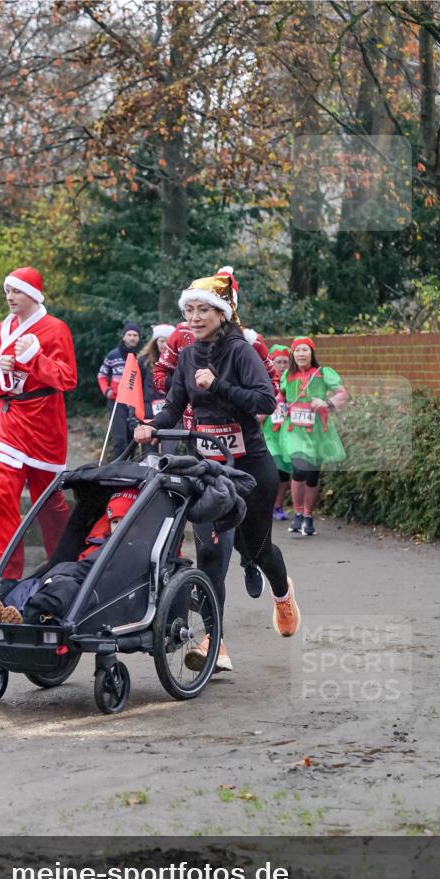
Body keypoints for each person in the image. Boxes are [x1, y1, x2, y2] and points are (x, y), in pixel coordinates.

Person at [135, 267, 301, 671]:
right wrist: (152, 427)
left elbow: (264, 401)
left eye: (202, 310)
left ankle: (282, 592)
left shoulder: (240, 351)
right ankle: (215, 642)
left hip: (248, 466)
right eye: (188, 310)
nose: (193, 318)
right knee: (210, 552)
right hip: (207, 468)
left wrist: (219, 385)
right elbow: (175, 405)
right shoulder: (188, 355)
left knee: (255, 549)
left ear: (222, 314)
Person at [0, 266, 77, 570]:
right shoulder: (3, 329)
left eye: (16, 291)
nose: (10, 297)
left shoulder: (56, 329)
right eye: (8, 291)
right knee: (1, 497)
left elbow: (67, 379)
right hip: (9, 419)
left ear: (33, 295)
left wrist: (34, 360)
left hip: (44, 424)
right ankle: (6, 577)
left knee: (49, 504)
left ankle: (64, 566)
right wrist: (2, 369)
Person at [0, 489, 139, 624]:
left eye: (123, 521)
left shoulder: (131, 548)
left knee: (60, 589)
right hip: (62, 574)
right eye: (114, 521)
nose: (118, 527)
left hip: (86, 584)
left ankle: (26, 616)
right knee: (29, 585)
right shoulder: (98, 540)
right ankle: (5, 609)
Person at [277, 337, 348, 537]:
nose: (300, 354)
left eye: (305, 350)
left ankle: (308, 516)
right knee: (299, 468)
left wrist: (326, 402)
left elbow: (342, 394)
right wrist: (281, 405)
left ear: (311, 353)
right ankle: (298, 512)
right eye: (297, 350)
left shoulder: (323, 373)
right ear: (292, 354)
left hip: (317, 430)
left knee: (312, 474)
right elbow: (281, 396)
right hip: (294, 431)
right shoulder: (287, 376)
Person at [97, 321, 141, 458]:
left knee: (132, 441)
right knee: (120, 440)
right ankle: (115, 471)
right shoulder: (113, 355)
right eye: (129, 335)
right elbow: (102, 375)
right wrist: (107, 390)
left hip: (135, 403)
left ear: (139, 338)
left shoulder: (143, 355)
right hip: (117, 402)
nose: (132, 338)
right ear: (123, 337)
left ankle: (128, 471)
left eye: (135, 335)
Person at [261, 344, 292, 520]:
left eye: (285, 362)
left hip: (287, 435)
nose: (281, 366)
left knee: (285, 474)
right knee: (273, 470)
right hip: (268, 435)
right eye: (278, 362)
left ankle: (277, 506)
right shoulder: (265, 382)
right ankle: (265, 506)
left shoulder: (293, 383)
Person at [137, 323, 177, 455]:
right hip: (148, 415)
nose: (163, 344)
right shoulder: (143, 362)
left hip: (171, 414)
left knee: (169, 454)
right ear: (155, 342)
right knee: (149, 456)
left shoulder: (179, 361)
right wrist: (134, 415)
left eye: (167, 341)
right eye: (161, 340)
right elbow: (136, 389)